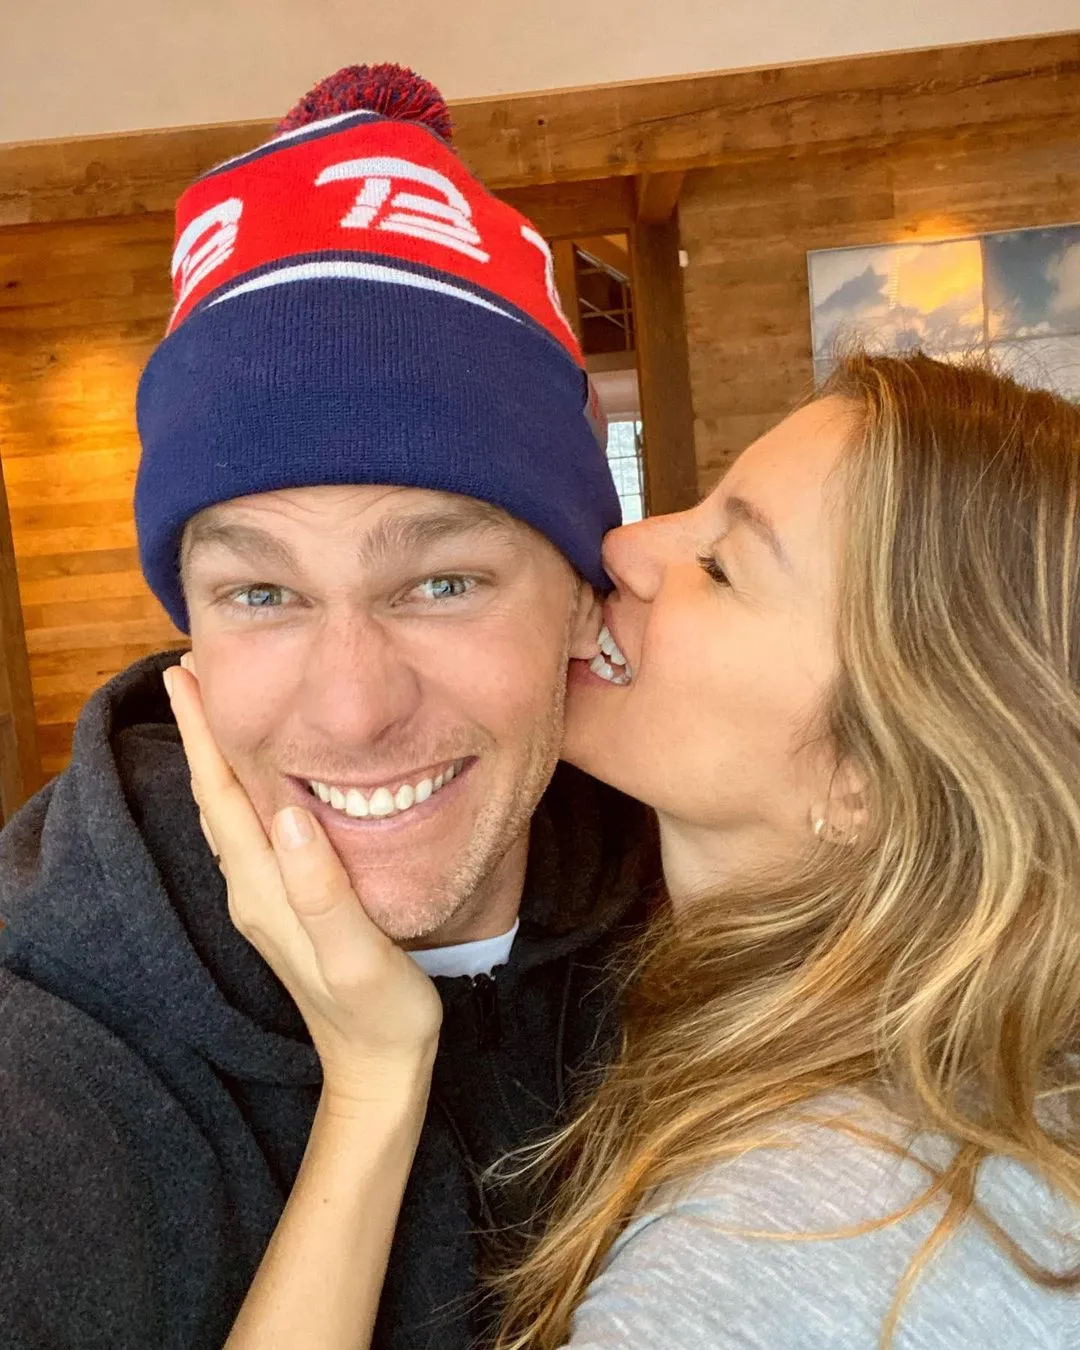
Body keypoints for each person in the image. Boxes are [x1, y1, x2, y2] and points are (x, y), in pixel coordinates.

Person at [181, 352, 1080, 1348]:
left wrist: (371, 1084)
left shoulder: (803, 1239)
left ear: (867, 770)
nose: (625, 545)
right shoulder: (956, 1074)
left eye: (722, 567)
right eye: (261, 592)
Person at [0, 65, 657, 1350]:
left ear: (588, 600)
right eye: (260, 594)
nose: (355, 712)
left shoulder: (701, 897)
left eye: (443, 580)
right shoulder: (51, 1057)